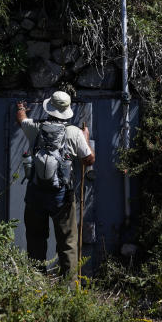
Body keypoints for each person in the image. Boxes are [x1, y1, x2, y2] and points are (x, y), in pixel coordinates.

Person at [16, 91, 94, 278]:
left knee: (35, 240)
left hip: (35, 195)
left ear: (49, 108)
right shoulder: (74, 133)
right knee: (67, 243)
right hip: (62, 198)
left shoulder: (34, 127)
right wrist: (85, 137)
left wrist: (20, 108)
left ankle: (36, 285)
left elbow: (21, 120)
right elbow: (89, 159)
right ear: (66, 111)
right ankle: (68, 289)